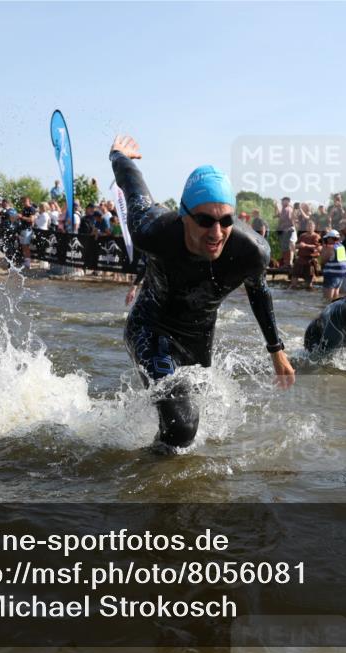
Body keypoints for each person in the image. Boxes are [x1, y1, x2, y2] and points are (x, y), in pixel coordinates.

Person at [109, 134, 294, 450]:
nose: (217, 232)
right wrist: (118, 155)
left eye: (225, 221)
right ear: (184, 215)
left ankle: (152, 459)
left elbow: (259, 290)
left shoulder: (251, 251)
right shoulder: (153, 230)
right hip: (151, 328)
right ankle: (153, 486)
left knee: (189, 419)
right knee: (183, 427)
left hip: (197, 336)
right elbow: (132, 185)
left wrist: (276, 349)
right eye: (205, 220)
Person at [290, 220, 321, 289]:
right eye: (308, 226)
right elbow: (297, 245)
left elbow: (318, 247)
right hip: (300, 258)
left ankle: (309, 293)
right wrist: (296, 246)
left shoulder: (317, 236)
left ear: (314, 227)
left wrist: (306, 245)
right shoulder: (302, 235)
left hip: (310, 260)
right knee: (294, 276)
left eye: (311, 226)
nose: (309, 227)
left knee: (308, 283)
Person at [319, 229, 346, 301]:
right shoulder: (341, 246)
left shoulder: (330, 247)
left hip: (332, 275)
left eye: (327, 238)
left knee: (327, 299)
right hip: (341, 275)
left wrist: (323, 249)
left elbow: (323, 260)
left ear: (330, 238)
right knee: (335, 296)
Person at [274, 196, 295, 268]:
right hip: (284, 229)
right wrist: (276, 207)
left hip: (287, 229)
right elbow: (275, 216)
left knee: (286, 247)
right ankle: (286, 263)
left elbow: (286, 219)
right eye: (282, 201)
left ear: (287, 201)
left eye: (283, 201)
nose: (282, 202)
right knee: (284, 247)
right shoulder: (284, 209)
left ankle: (288, 263)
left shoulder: (288, 209)